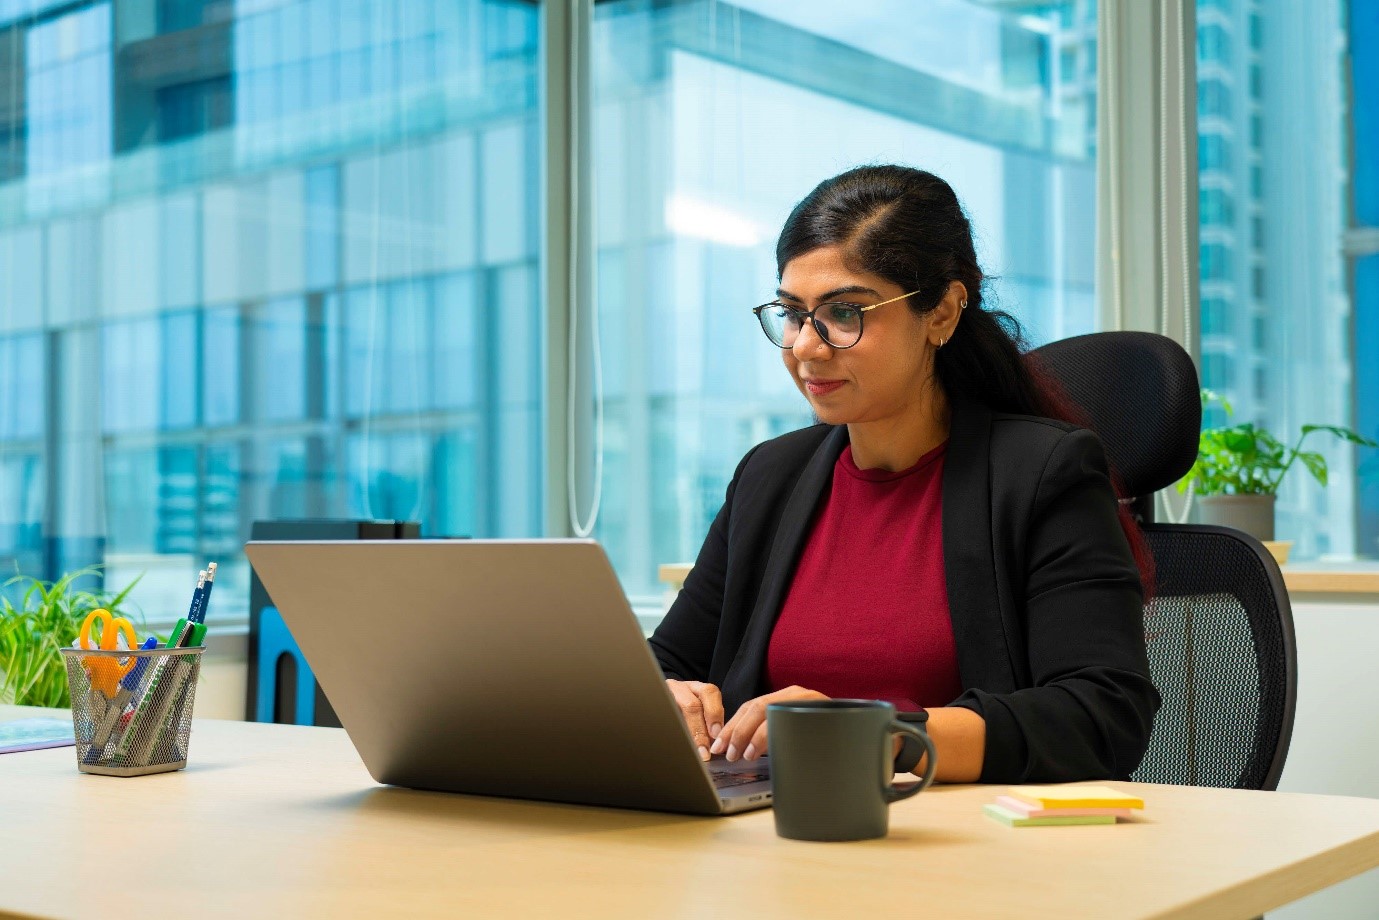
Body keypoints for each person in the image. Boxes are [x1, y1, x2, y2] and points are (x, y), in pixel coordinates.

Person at [649, 165, 1160, 784]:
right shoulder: (770, 476)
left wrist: (876, 736)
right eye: (791, 313)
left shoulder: (1041, 473)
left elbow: (1100, 715)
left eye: (844, 312)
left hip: (967, 850)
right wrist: (666, 697)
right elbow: (668, 660)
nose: (806, 347)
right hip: (776, 835)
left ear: (942, 313)